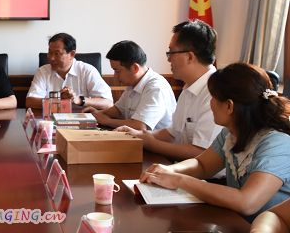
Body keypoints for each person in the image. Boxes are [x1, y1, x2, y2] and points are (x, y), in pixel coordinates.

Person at [140, 63, 290, 221]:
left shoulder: (277, 143)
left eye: (213, 97)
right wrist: (169, 170)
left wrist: (179, 180)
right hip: (237, 221)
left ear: (229, 106)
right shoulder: (230, 132)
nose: (210, 103)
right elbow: (203, 165)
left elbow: (246, 202)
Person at [117, 20, 221, 160]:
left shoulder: (216, 92)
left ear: (189, 57)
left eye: (171, 52)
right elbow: (173, 133)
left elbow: (201, 152)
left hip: (204, 172)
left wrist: (152, 144)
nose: (168, 59)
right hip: (182, 166)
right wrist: (138, 135)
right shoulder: (189, 87)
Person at [86, 40, 176, 130]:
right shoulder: (133, 83)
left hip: (154, 138)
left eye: (117, 71)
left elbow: (140, 126)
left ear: (135, 68)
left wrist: (107, 121)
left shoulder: (155, 88)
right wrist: (98, 114)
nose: (115, 76)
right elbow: (118, 110)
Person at [25, 32, 112, 110]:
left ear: (72, 54)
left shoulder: (87, 71)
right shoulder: (43, 71)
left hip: (82, 119)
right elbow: (30, 102)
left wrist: (79, 100)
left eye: (57, 53)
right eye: (50, 52)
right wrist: (59, 100)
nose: (51, 58)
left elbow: (108, 103)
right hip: (51, 120)